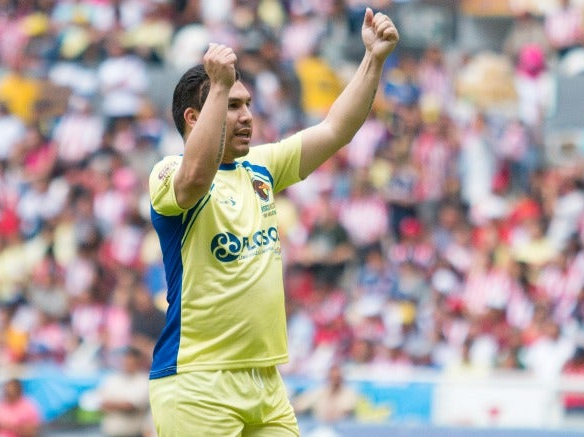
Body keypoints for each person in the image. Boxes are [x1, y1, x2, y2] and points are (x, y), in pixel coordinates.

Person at [147, 6, 399, 436]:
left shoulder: (260, 168)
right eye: (232, 105)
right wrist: (218, 83)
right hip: (196, 380)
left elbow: (336, 129)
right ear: (194, 118)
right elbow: (193, 180)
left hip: (265, 380)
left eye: (247, 104)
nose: (247, 116)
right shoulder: (167, 172)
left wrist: (372, 59)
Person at [97, 347, 154, 437]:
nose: (127, 363)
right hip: (110, 433)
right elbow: (100, 404)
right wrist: (119, 404)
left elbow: (130, 406)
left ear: (138, 362)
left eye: (130, 361)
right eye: (125, 360)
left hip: (135, 434)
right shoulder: (111, 379)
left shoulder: (144, 380)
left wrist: (112, 404)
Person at [292, 364, 359, 423]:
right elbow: (300, 405)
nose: (335, 381)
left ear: (341, 379)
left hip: (341, 428)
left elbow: (346, 411)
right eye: (332, 378)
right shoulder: (320, 392)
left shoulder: (349, 394)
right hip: (319, 428)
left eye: (337, 378)